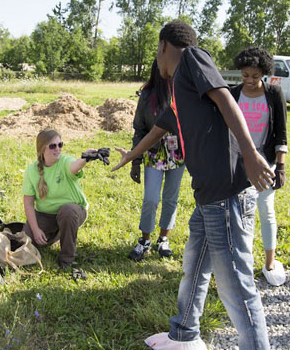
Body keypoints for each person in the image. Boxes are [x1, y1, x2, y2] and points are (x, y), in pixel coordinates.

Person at [112, 20, 274, 350]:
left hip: (226, 194)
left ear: (162, 47)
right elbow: (156, 131)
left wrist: (251, 153)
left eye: (157, 54)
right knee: (195, 266)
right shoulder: (179, 97)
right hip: (208, 198)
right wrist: (131, 155)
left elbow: (227, 100)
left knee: (237, 288)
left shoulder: (192, 59)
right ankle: (184, 335)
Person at [231, 47, 288, 286]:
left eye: (255, 76)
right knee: (238, 214)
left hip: (265, 162)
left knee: (265, 210)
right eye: (245, 76)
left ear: (264, 73)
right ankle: (238, 262)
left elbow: (281, 133)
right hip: (236, 161)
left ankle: (269, 262)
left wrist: (281, 166)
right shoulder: (233, 94)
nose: (250, 81)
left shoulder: (274, 94)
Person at [129, 59, 185, 261]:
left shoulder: (183, 93)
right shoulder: (147, 95)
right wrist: (135, 161)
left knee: (171, 198)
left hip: (178, 155)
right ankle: (145, 239)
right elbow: (139, 128)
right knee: (151, 199)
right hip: (153, 154)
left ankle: (163, 238)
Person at [22, 128, 95, 275]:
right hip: (46, 214)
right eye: (53, 146)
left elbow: (74, 167)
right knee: (27, 240)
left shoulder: (65, 161)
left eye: (60, 144)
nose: (58, 149)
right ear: (42, 149)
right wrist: (35, 230)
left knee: (67, 212)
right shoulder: (32, 170)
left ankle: (67, 259)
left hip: (73, 211)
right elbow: (28, 203)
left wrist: (85, 158)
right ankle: (57, 233)